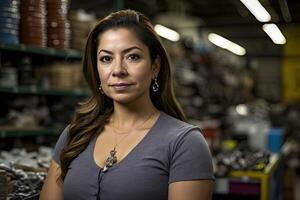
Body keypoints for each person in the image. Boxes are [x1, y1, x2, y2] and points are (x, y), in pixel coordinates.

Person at [40, 9, 214, 200]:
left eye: (132, 57)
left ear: (155, 66)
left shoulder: (184, 144)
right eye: (106, 59)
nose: (118, 70)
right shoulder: (75, 135)